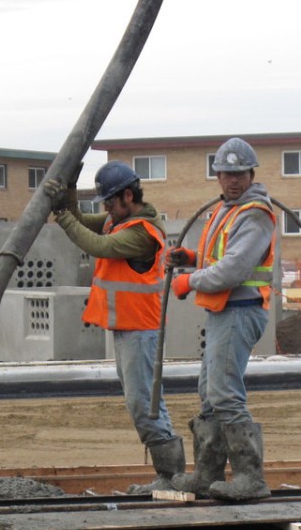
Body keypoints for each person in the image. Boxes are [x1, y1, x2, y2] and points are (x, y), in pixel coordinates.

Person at [44, 161, 184, 492]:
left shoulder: (142, 233)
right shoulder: (118, 220)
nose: (105, 208)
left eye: (109, 201)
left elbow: (98, 246)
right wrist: (69, 193)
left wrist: (61, 213)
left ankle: (171, 476)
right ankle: (169, 475)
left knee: (144, 402)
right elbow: (83, 223)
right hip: (127, 327)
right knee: (140, 400)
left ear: (127, 196)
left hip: (141, 329)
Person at [166, 137, 276, 501]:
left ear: (251, 174)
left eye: (239, 173)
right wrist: (190, 258)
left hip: (240, 310)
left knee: (224, 393)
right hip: (223, 311)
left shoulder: (254, 214)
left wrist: (188, 281)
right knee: (210, 394)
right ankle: (207, 474)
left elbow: (233, 269)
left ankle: (251, 478)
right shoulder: (228, 210)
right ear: (218, 176)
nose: (233, 180)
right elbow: (219, 257)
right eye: (227, 174)